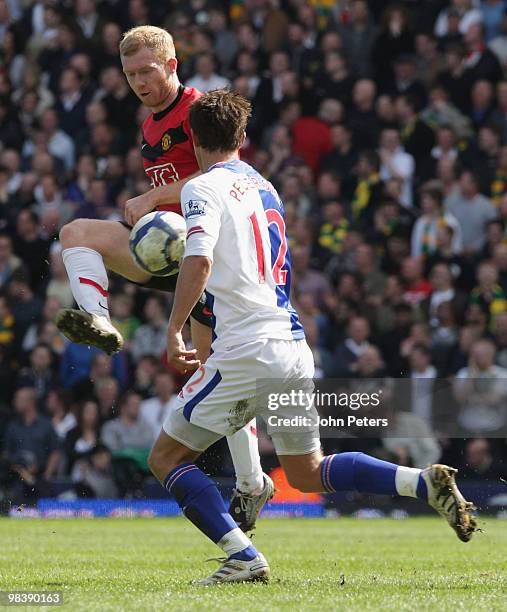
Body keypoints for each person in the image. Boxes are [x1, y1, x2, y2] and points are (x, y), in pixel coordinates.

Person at [147, 89, 477, 585]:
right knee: (306, 471)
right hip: (290, 344)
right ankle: (419, 482)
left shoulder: (201, 189)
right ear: (244, 137)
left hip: (247, 349)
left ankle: (242, 555)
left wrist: (174, 326)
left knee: (167, 458)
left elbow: (200, 258)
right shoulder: (266, 188)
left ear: (193, 138)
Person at [54, 25, 271, 532]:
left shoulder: (199, 112)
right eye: (130, 74)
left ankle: (251, 480)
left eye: (147, 71)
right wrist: (155, 207)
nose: (139, 82)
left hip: (207, 256)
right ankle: (101, 321)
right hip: (169, 249)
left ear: (172, 65)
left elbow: (227, 173)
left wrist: (153, 199)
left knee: (219, 372)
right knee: (76, 232)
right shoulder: (149, 125)